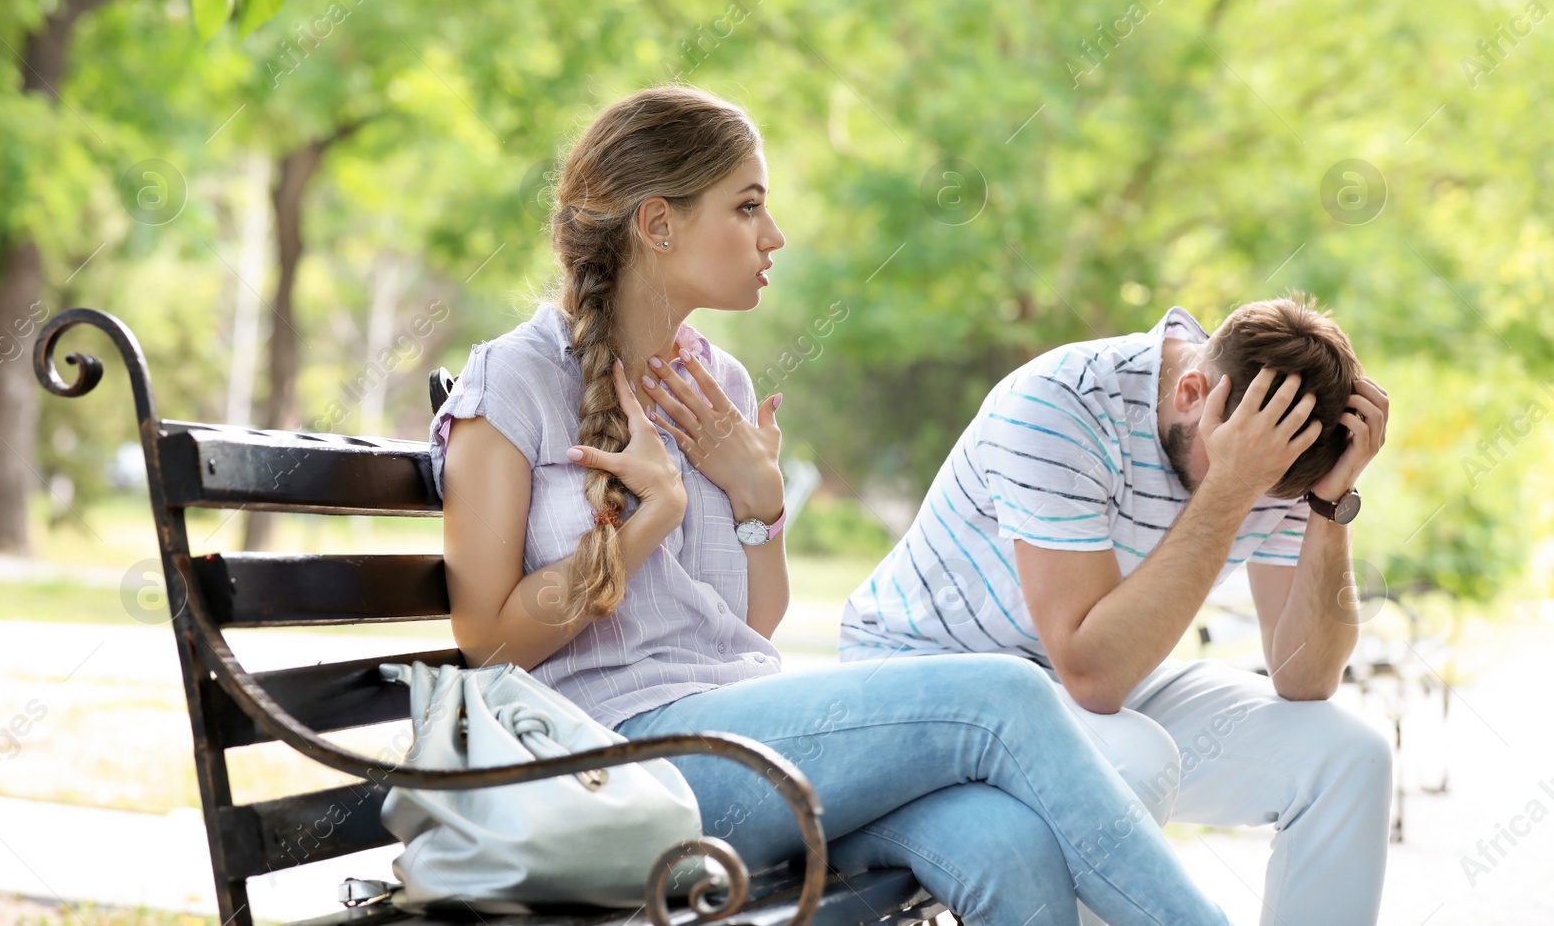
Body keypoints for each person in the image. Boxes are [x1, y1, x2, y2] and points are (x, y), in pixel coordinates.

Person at [432, 85, 1231, 925]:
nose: (772, 236)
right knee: (1005, 696)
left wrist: (759, 502)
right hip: (625, 762)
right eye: (747, 208)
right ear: (658, 224)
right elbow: (489, 643)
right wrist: (652, 514)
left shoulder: (719, 385)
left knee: (1007, 844)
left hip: (749, 739)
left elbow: (754, 622)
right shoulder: (516, 379)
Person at [841, 298, 1394, 925]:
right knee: (1135, 758)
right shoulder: (1062, 401)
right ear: (1192, 392)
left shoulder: (1275, 444)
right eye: (1248, 475)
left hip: (1090, 682)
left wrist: (1329, 504)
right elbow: (1093, 673)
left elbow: (1306, 677)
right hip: (930, 685)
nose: (1257, 498)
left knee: (1350, 757)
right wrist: (1233, 484)